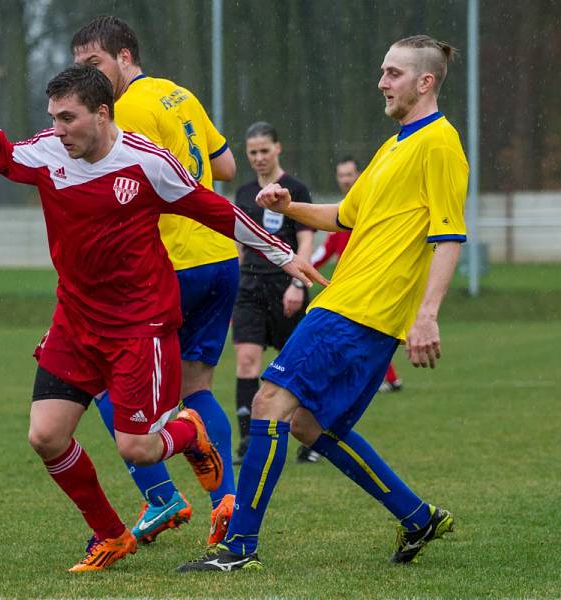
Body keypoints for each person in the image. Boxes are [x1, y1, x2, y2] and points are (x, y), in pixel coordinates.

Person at [0, 65, 325, 572]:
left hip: (140, 325)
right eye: (53, 118)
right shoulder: (48, 153)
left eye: (68, 119)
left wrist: (283, 255)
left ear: (103, 114)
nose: (57, 129)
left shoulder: (147, 163)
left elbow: (211, 208)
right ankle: (109, 534)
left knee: (142, 449)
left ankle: (189, 431)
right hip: (75, 321)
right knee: (45, 436)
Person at [178, 34, 468, 572]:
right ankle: (416, 516)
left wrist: (426, 314)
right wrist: (292, 205)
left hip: (360, 310)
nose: (381, 81)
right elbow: (344, 217)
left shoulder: (440, 143)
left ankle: (239, 546)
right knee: (311, 425)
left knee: (268, 401)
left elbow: (448, 235)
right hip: (348, 305)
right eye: (383, 71)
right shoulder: (397, 144)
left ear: (425, 82)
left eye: (393, 73)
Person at [71, 16, 241, 546]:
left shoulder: (127, 109)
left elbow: (120, 178)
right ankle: (228, 504)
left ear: (125, 57)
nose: (87, 79)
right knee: (197, 388)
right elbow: (228, 166)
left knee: (101, 374)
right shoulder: (179, 95)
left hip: (172, 265)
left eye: (94, 65)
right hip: (221, 258)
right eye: (79, 68)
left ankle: (161, 495)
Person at [230, 121, 317, 466]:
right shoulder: (242, 192)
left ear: (278, 148)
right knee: (247, 359)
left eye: (264, 150)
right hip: (249, 288)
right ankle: (248, 439)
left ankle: (311, 434)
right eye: (252, 152)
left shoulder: (295, 189)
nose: (259, 158)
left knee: (296, 367)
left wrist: (299, 283)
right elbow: (239, 244)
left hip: (286, 289)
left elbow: (307, 240)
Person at [312, 157, 403, 394]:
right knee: (363, 330)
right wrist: (303, 267)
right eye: (341, 175)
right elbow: (328, 247)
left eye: (349, 174)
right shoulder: (343, 210)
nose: (345, 180)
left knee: (363, 329)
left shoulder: (372, 205)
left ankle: (379, 378)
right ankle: (388, 378)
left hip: (372, 278)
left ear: (359, 175)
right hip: (349, 283)